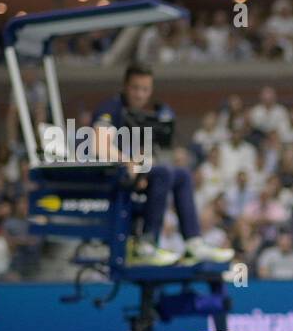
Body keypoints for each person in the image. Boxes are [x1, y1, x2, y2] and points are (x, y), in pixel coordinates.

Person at [93, 64, 234, 266]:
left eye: (145, 89)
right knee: (164, 173)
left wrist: (143, 164)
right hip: (105, 178)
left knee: (182, 175)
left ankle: (193, 243)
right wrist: (131, 163)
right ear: (125, 86)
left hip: (128, 176)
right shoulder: (111, 109)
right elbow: (100, 146)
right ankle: (147, 245)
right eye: (135, 88)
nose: (140, 95)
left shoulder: (139, 116)